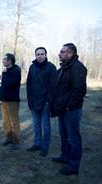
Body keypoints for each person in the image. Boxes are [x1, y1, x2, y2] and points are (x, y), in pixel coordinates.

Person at [51, 43, 87, 175]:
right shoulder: (64, 68)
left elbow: (79, 91)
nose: (59, 54)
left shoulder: (78, 68)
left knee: (73, 138)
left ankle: (73, 166)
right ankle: (64, 157)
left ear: (70, 54)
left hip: (71, 110)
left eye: (62, 52)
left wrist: (68, 106)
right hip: (62, 108)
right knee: (64, 134)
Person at [26, 47, 57, 156]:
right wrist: (29, 100)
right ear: (35, 55)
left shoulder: (51, 68)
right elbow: (28, 85)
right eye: (38, 54)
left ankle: (45, 147)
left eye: (42, 54)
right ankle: (37, 143)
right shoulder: (32, 67)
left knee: (46, 126)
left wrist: (48, 101)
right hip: (34, 102)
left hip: (45, 103)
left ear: (46, 55)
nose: (39, 56)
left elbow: (53, 86)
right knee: (36, 125)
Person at [0, 53, 21, 150]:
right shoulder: (6, 71)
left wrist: (5, 73)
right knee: (5, 121)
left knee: (14, 122)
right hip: (4, 101)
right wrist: (0, 99)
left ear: (10, 61)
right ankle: (8, 138)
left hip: (12, 100)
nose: (3, 61)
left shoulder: (16, 70)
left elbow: (11, 84)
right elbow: (3, 87)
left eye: (4, 60)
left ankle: (16, 141)